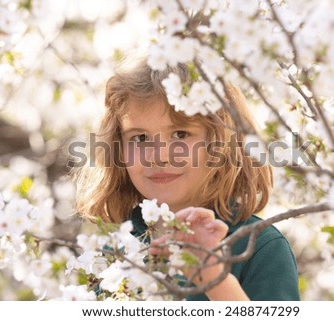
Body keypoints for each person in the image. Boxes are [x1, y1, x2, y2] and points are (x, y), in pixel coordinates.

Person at [75, 58, 300, 301]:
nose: (159, 156)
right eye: (140, 138)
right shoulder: (113, 251)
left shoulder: (261, 248)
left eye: (180, 134)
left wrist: (215, 280)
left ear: (219, 143)